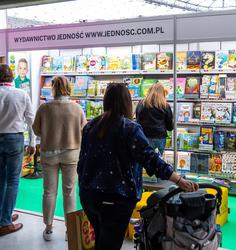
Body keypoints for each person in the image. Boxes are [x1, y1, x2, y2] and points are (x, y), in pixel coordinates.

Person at [78, 83, 198, 250]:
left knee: (102, 239)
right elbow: (151, 159)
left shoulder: (91, 126)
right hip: (116, 198)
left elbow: (81, 163)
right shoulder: (129, 128)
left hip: (88, 195)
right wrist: (178, 180)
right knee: (110, 243)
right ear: (127, 102)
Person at [32, 76, 87, 241]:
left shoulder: (44, 108)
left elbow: (36, 130)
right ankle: (69, 231)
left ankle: (48, 228)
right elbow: (84, 131)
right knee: (69, 192)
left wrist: (50, 133)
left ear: (53, 88)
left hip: (49, 153)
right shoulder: (77, 109)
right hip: (71, 153)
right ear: (69, 88)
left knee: (49, 192)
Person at [0, 64, 35, 236]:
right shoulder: (21, 94)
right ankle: (5, 221)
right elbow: (30, 120)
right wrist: (33, 142)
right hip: (15, 139)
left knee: (1, 180)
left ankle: (2, 215)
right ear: (12, 77)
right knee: (13, 180)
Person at [136, 83, 173, 155]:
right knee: (158, 160)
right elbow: (170, 126)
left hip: (145, 136)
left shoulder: (141, 103)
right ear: (163, 93)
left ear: (149, 91)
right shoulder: (165, 106)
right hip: (160, 136)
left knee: (145, 159)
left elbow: (138, 120)